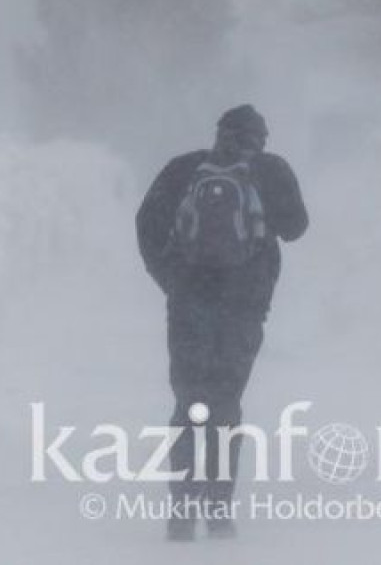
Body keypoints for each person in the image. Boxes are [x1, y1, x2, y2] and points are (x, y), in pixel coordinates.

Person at [136, 104, 308, 541]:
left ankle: (179, 516)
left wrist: (171, 280)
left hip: (189, 302)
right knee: (226, 404)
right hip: (244, 306)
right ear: (260, 139)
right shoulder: (270, 170)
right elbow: (296, 227)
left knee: (188, 403)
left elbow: (147, 222)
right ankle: (218, 513)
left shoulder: (184, 169)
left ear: (219, 133)